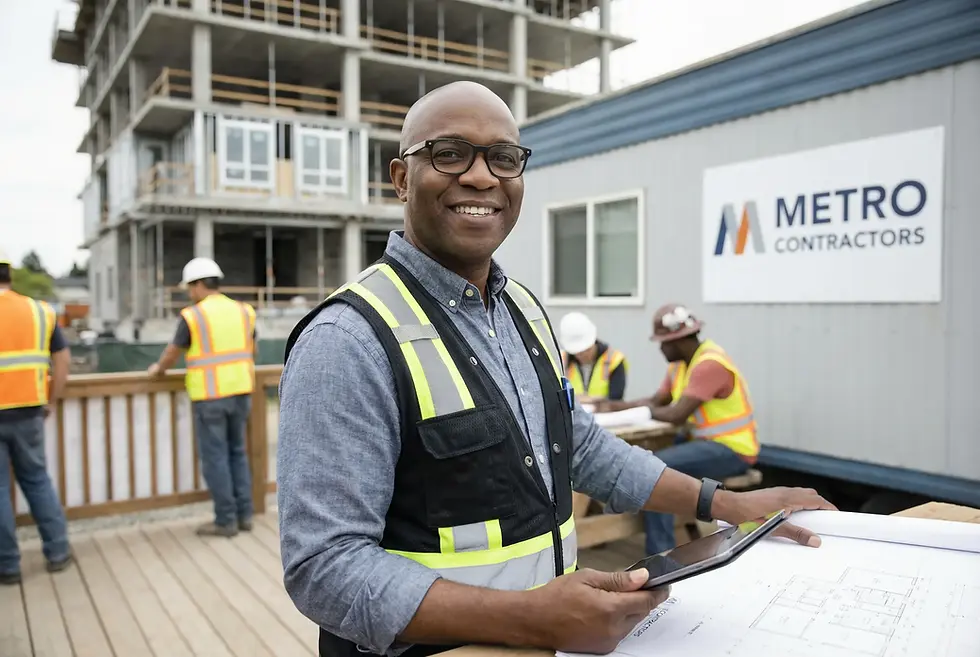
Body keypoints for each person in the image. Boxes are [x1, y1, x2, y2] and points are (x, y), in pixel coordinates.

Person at [276, 81, 835, 657]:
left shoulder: (522, 308)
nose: (481, 177)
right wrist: (530, 619)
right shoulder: (347, 341)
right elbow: (325, 567)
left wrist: (728, 504)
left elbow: (582, 448)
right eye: (449, 153)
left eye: (504, 158)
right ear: (400, 178)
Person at [594, 303, 761, 556]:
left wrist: (643, 413)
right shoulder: (680, 365)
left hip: (732, 449)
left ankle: (661, 554)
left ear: (677, 340)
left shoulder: (709, 365)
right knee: (643, 459)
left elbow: (676, 414)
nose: (660, 348)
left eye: (663, 342)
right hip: (704, 443)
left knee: (656, 470)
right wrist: (612, 406)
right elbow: (656, 401)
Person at [148, 257, 257, 537]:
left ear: (198, 285)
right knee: (238, 453)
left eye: (189, 287)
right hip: (242, 391)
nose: (188, 292)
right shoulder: (244, 311)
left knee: (216, 458)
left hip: (210, 396)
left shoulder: (193, 316)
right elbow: (252, 349)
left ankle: (226, 520)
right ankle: (245, 515)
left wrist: (158, 370)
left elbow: (173, 351)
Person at [0, 249, 73, 584]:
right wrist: (51, 400)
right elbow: (63, 360)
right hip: (30, 408)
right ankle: (58, 552)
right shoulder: (39, 311)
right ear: (10, 276)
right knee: (37, 479)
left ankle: (8, 566)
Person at [558, 311, 628, 402]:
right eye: (577, 352)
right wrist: (594, 399)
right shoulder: (561, 360)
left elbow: (615, 399)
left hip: (605, 415)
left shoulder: (615, 360)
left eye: (585, 350)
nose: (581, 355)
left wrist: (579, 399)